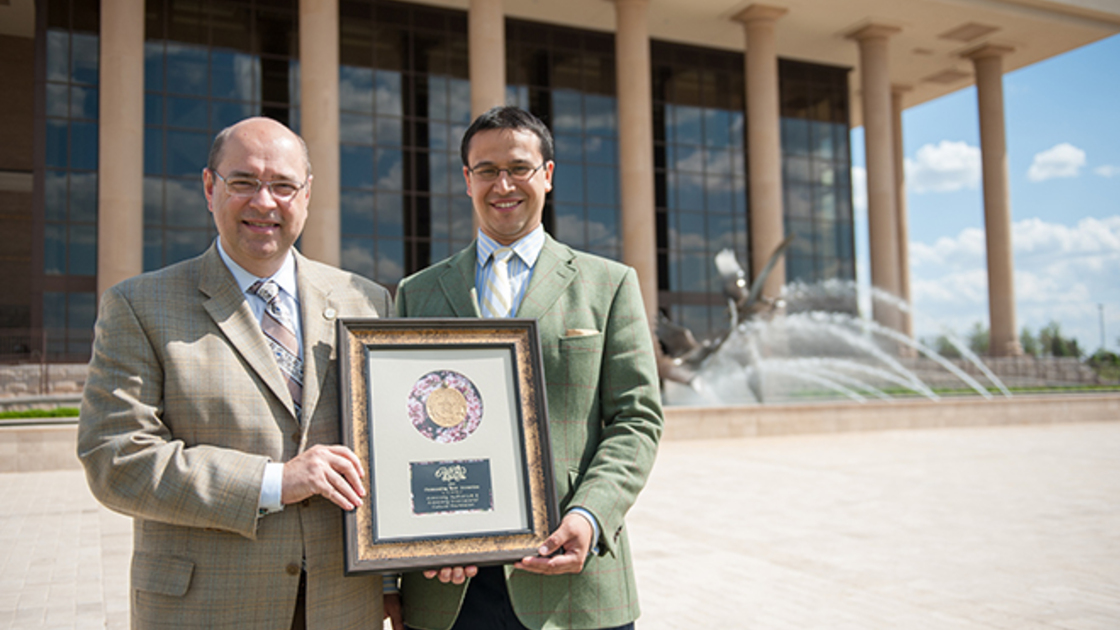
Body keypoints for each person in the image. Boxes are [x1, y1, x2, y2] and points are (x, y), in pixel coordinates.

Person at [78, 117, 392, 629]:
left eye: (283, 185)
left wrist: (394, 576)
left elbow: (387, 450)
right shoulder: (138, 306)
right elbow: (116, 460)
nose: (264, 202)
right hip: (208, 608)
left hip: (341, 607)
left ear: (307, 194)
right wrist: (276, 481)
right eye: (243, 182)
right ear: (209, 187)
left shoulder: (365, 300)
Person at [389, 106, 664, 630]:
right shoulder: (416, 293)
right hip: (448, 588)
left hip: (572, 577)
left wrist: (589, 514)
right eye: (487, 170)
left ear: (548, 176)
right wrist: (411, 543)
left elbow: (637, 419)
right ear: (467, 181)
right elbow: (399, 434)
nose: (504, 184)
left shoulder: (610, 285)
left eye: (519, 167)